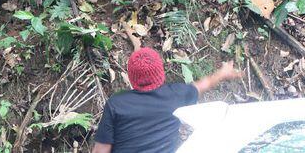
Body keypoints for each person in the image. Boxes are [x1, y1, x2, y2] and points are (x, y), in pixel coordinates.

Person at [91, 47, 242, 153]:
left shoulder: (116, 104)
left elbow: (100, 151)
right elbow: (204, 84)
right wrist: (223, 73)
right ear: (160, 73)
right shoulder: (177, 95)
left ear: (131, 77)